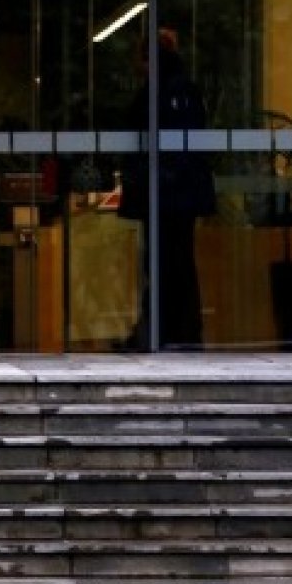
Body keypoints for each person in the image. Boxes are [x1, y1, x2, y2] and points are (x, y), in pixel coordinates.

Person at [117, 27, 217, 350]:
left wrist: (149, 180)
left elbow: (150, 139)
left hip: (163, 193)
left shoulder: (158, 92)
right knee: (178, 261)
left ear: (149, 58)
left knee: (163, 262)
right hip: (177, 194)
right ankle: (178, 331)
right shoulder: (183, 90)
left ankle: (162, 331)